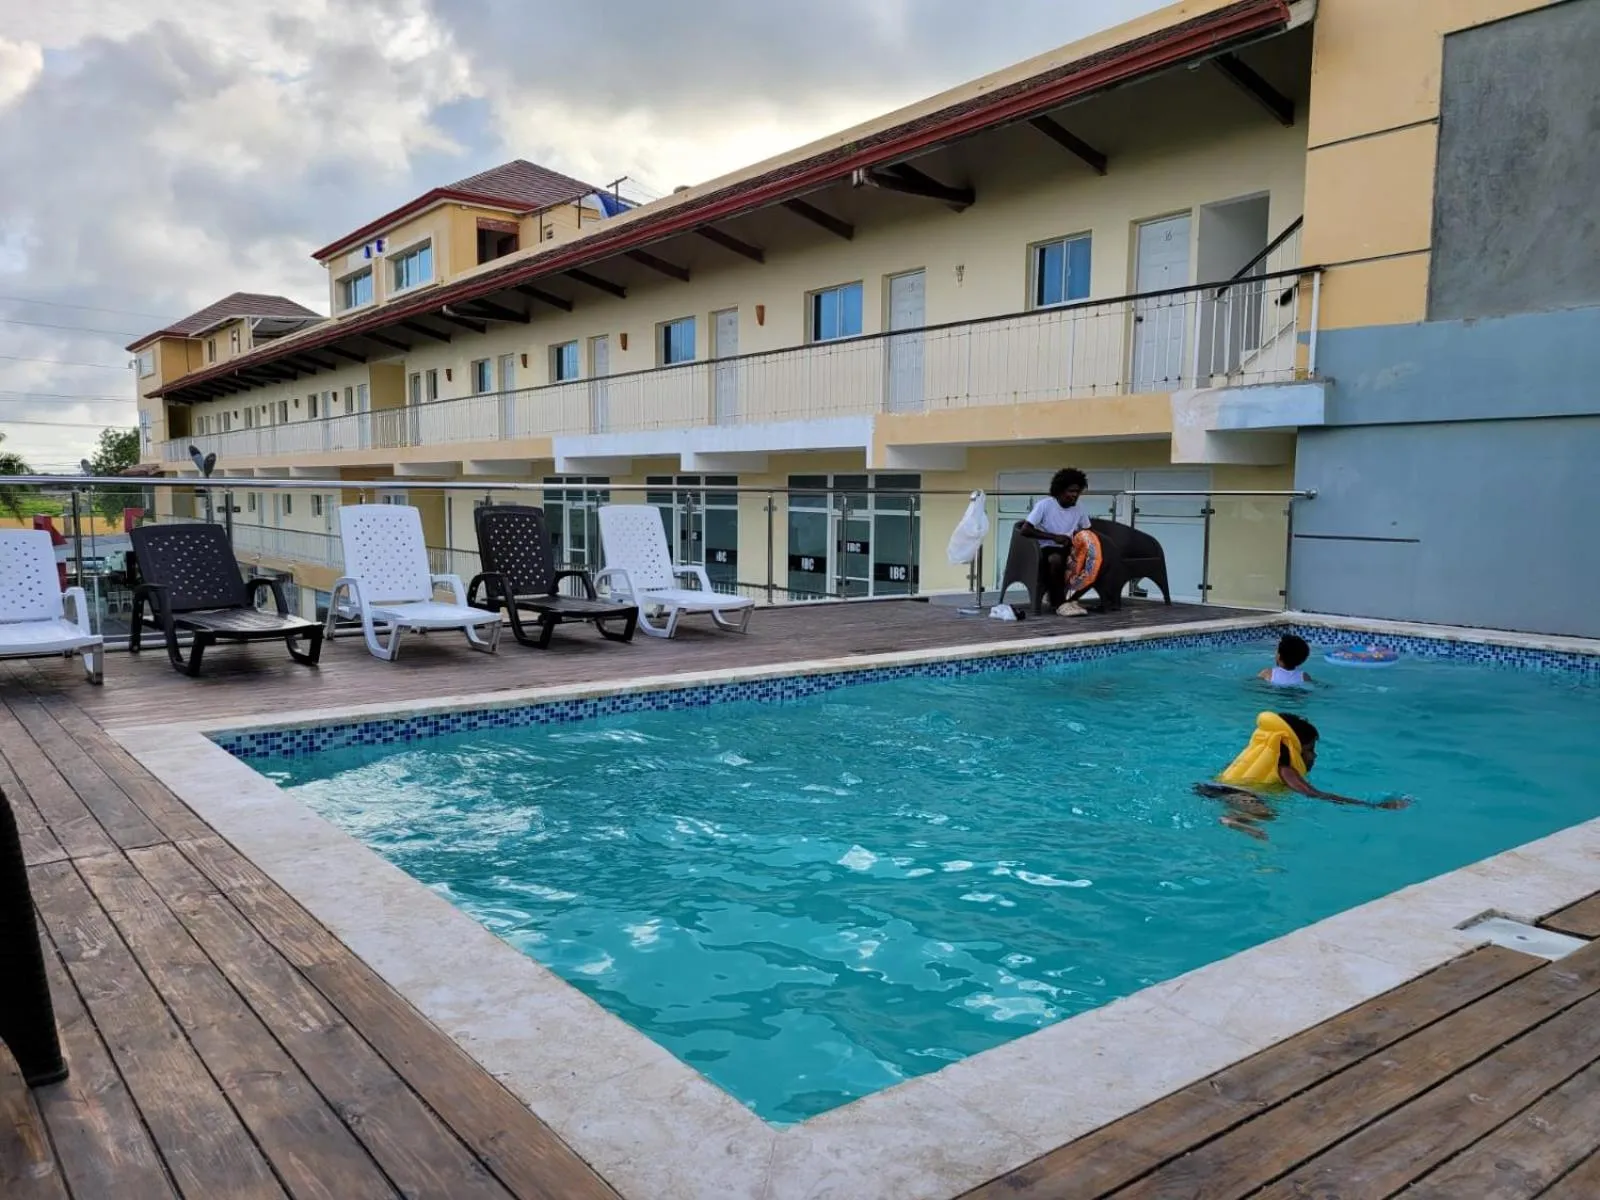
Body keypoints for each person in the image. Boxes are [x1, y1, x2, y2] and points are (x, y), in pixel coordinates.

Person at [1195, 712, 1409, 839]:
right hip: (1239, 795)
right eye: (1309, 749)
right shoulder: (1286, 768)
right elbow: (1313, 794)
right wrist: (1370, 805)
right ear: (1294, 748)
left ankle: (1233, 817)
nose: (1314, 755)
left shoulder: (1251, 757)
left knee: (1257, 809)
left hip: (1209, 788)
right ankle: (1234, 820)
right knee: (1267, 815)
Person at [1020, 468, 1092, 614]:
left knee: (1094, 561)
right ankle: (1058, 604)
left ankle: (1071, 599)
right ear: (1059, 490)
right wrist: (1054, 537)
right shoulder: (1045, 505)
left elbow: (1087, 530)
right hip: (1045, 549)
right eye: (1071, 491)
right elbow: (1025, 529)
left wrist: (1077, 541)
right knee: (1055, 559)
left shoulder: (1079, 508)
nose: (1075, 495)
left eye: (1077, 491)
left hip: (1068, 548)